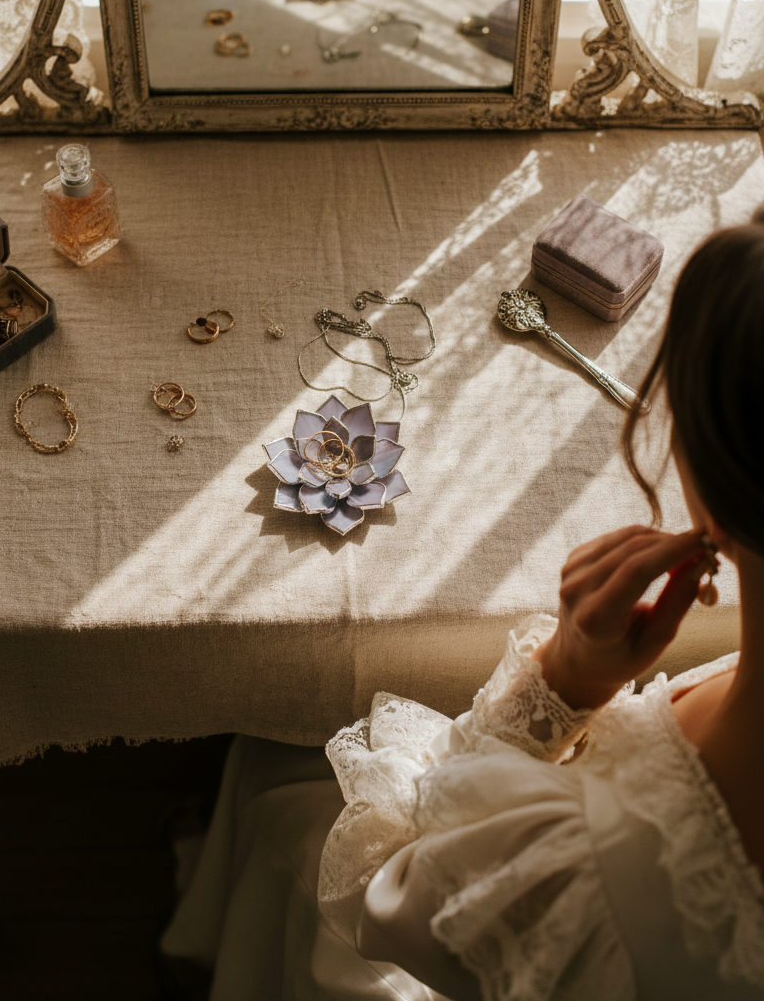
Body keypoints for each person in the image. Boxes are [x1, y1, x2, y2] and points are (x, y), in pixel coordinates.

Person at [162, 215, 764, 999]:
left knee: (275, 774)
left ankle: (210, 951)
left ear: (712, 482)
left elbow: (377, 896)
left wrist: (561, 685)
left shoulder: (597, 866)